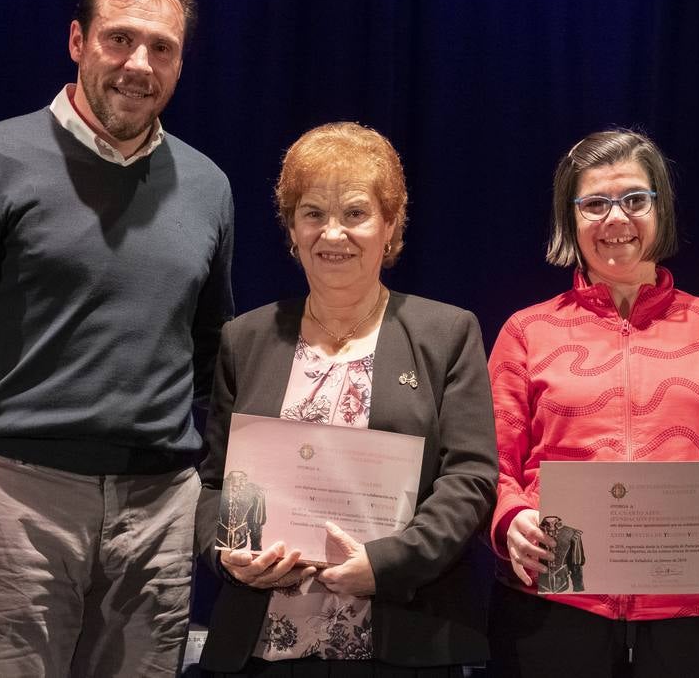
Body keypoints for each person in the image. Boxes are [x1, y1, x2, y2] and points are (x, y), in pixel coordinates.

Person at [0, 0, 234, 675]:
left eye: (162, 47)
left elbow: (210, 356)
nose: (138, 63)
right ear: (78, 41)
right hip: (19, 506)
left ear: (180, 62)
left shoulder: (208, 186)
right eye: (119, 39)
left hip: (160, 514)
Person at [194, 122, 497, 676]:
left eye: (355, 213)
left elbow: (470, 479)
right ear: (291, 230)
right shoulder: (246, 338)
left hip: (403, 637)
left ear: (390, 225)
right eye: (313, 213)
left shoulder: (446, 333)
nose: (333, 233)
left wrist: (384, 564)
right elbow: (215, 484)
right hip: (264, 647)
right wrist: (228, 551)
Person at [487, 129, 699, 678]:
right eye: (595, 203)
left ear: (659, 209)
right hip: (554, 609)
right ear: (569, 218)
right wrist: (512, 519)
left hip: (693, 610)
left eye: (634, 200)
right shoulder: (526, 331)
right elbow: (492, 467)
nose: (616, 219)